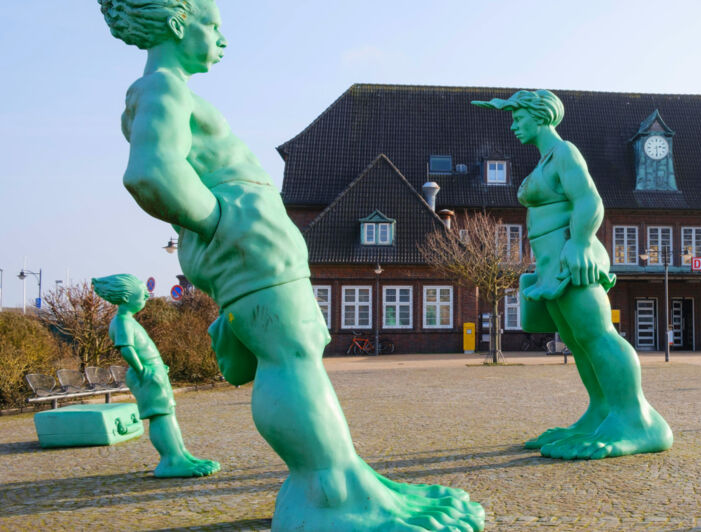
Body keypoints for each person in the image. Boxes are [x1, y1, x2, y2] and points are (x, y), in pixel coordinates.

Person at [99, 1, 483, 529]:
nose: (222, 40)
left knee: (297, 349)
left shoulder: (164, 90)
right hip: (246, 238)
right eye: (214, 27)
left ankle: (345, 477)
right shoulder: (164, 88)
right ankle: (328, 494)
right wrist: (227, 222)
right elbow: (151, 173)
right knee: (291, 357)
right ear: (177, 22)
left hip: (248, 240)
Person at [473, 90, 673, 460]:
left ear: (540, 116)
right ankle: (601, 411)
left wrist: (580, 243)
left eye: (518, 118)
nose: (514, 126)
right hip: (552, 266)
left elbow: (589, 200)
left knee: (598, 336)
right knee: (577, 342)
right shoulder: (546, 161)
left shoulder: (565, 152)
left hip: (573, 260)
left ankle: (637, 421)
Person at [93, 274, 220, 478]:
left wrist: (157, 366)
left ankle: (181, 454)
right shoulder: (123, 322)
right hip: (148, 374)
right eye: (141, 293)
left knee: (168, 415)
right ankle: (171, 460)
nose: (146, 295)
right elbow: (126, 349)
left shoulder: (126, 321)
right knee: (160, 417)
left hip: (154, 372)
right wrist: (143, 370)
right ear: (126, 297)